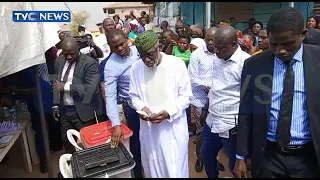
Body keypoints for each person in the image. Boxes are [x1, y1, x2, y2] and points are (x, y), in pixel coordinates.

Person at [234, 7, 320, 178]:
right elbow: (245, 111)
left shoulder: (317, 59)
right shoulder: (254, 65)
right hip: (268, 156)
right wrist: (241, 156)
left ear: (302, 34)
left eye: (288, 44)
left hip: (309, 157)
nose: (280, 50)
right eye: (274, 44)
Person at [129, 30, 192, 178]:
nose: (146, 60)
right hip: (149, 132)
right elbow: (133, 96)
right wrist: (141, 108)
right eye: (142, 56)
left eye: (150, 54)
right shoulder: (136, 68)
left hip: (172, 131)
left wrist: (169, 112)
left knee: (174, 170)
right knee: (152, 169)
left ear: (159, 46)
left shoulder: (176, 64)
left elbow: (186, 96)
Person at [200, 26, 251, 178]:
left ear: (234, 44)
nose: (216, 51)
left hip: (231, 124)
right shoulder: (217, 58)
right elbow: (215, 86)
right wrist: (205, 109)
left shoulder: (246, 63)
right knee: (206, 154)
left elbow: (249, 98)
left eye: (221, 48)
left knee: (234, 165)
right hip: (212, 119)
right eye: (215, 47)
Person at [53, 37, 105, 177]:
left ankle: (90, 171)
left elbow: (91, 89)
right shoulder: (59, 61)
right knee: (67, 143)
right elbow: (55, 84)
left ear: (78, 50)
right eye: (66, 53)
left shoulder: (90, 63)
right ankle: (72, 171)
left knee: (86, 146)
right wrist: (55, 104)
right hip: (65, 111)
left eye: (72, 53)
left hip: (83, 112)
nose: (69, 57)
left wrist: (66, 86)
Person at [103, 29, 143, 178]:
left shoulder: (138, 51)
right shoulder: (110, 66)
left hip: (150, 104)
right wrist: (116, 124)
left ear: (127, 39)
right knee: (137, 147)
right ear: (110, 46)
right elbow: (111, 96)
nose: (120, 48)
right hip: (132, 110)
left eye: (121, 44)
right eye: (115, 46)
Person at [188, 27, 225, 173]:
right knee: (202, 131)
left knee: (215, 132)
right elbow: (192, 78)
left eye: (213, 40)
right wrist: (205, 85)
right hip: (200, 100)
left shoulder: (222, 53)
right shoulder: (197, 55)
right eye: (208, 40)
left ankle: (213, 159)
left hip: (217, 100)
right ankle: (200, 157)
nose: (210, 43)